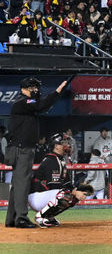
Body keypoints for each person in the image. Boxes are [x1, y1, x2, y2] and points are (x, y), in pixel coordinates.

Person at [5, 77, 68, 229]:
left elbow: (42, 106)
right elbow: (43, 104)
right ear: (24, 89)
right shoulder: (22, 102)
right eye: (32, 87)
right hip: (21, 149)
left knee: (18, 185)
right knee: (23, 184)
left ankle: (12, 219)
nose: (36, 90)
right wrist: (58, 91)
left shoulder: (27, 105)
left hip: (22, 148)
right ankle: (21, 218)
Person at [28, 183, 94, 228]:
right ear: (78, 190)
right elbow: (54, 202)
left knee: (64, 204)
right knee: (63, 198)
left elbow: (60, 207)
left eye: (86, 196)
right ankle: (39, 217)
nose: (84, 197)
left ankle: (48, 217)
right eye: (84, 194)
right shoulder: (67, 192)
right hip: (35, 200)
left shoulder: (74, 199)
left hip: (40, 203)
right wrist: (40, 215)